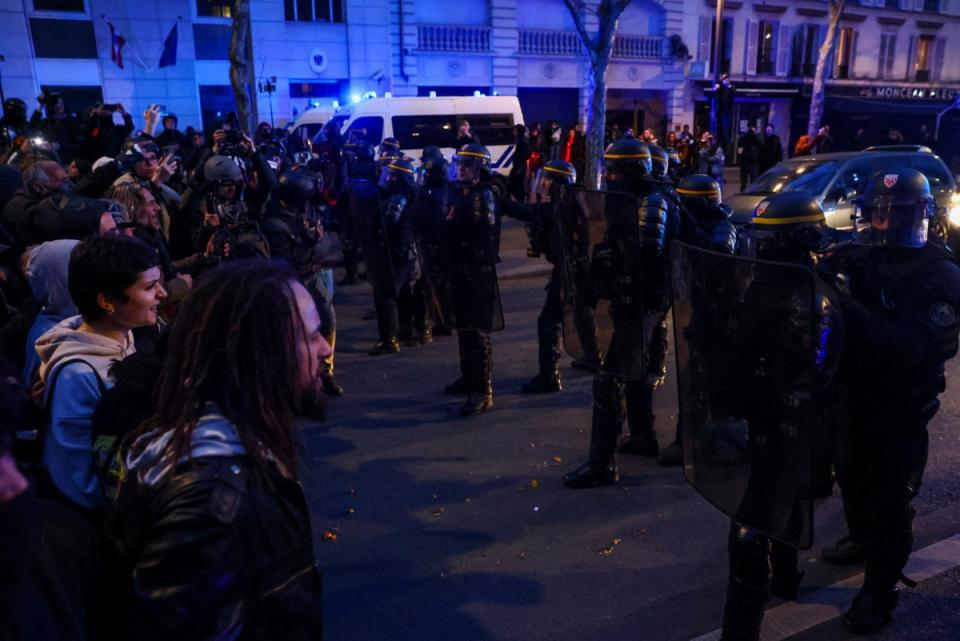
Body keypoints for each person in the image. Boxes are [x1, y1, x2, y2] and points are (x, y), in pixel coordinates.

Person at [104, 260, 327, 640]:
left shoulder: (218, 451)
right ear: (262, 356)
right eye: (310, 336)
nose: (324, 348)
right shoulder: (213, 500)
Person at [821, 168, 960, 632]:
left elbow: (911, 347)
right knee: (851, 477)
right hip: (853, 393)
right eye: (876, 213)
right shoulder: (859, 257)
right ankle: (862, 540)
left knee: (890, 498)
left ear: (919, 216)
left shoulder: (938, 273)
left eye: (894, 214)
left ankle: (879, 591)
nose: (882, 223)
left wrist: (849, 307)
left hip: (901, 404)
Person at [707, 193, 843, 641]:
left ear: (795, 242)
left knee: (751, 531)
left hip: (793, 426)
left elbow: (812, 377)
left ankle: (741, 628)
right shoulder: (768, 284)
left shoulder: (811, 297)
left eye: (770, 242)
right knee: (780, 509)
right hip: (765, 420)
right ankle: (784, 578)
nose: (760, 249)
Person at [564, 138, 677, 487]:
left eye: (613, 170)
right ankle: (643, 437)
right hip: (636, 301)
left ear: (629, 170)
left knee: (610, 378)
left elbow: (645, 254)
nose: (608, 176)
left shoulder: (652, 204)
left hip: (644, 302)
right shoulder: (631, 200)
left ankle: (603, 465)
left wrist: (613, 262)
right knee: (636, 372)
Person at [36, 234, 166, 511]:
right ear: (107, 301)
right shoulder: (76, 374)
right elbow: (72, 474)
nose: (163, 293)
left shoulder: (124, 337)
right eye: (150, 286)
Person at [262, 167, 343, 396]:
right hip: (295, 284)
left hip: (314, 274)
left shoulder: (300, 209)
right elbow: (286, 264)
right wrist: (309, 240)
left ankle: (325, 373)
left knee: (327, 321)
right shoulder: (274, 223)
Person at [444, 143, 501, 416]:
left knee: (478, 331)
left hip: (477, 272)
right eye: (460, 164)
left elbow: (480, 236)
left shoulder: (482, 197)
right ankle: (468, 378)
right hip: (460, 270)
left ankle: (483, 389)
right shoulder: (462, 193)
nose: (461, 169)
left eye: (468, 165)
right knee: (464, 327)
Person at [509, 124, 530, 202]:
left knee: (518, 186)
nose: (513, 132)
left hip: (519, 168)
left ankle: (521, 203)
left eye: (515, 130)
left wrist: (519, 168)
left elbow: (524, 156)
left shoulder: (523, 142)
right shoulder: (520, 141)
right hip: (518, 167)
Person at [737, 126, 762, 192]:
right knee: (744, 181)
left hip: (752, 162)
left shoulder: (755, 138)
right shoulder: (744, 138)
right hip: (746, 162)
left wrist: (754, 135)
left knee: (752, 180)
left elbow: (760, 144)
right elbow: (739, 145)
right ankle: (744, 192)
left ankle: (751, 191)